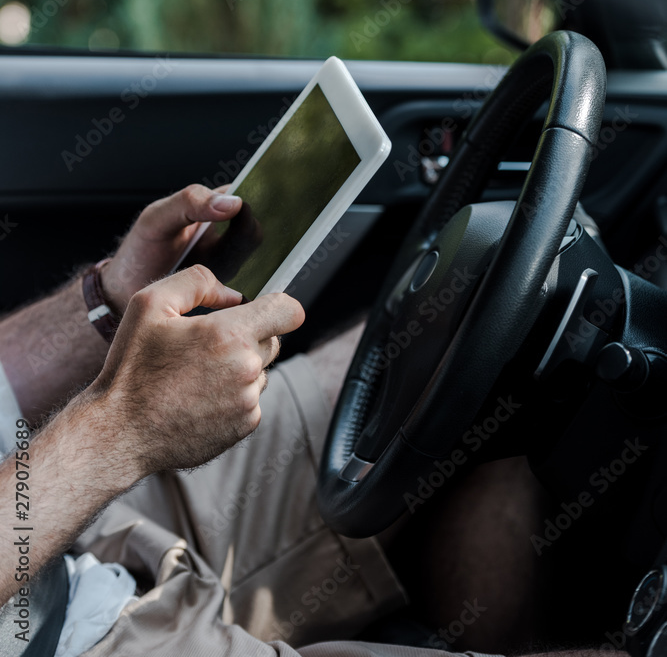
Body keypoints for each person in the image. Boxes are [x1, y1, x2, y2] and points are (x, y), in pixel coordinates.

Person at [0, 185, 608, 657]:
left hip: (62, 509)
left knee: (481, 341)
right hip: (56, 632)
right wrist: (124, 428)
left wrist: (108, 300)